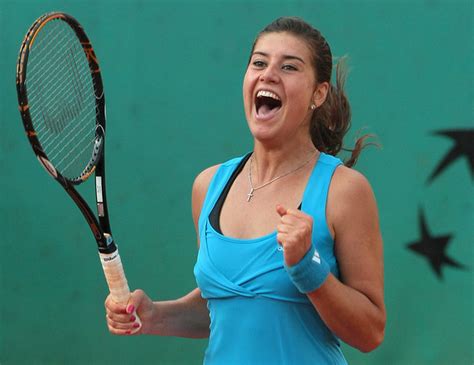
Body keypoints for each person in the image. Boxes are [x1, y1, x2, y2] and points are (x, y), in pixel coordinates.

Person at [105, 16, 386, 364]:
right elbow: (226, 306)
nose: (268, 74)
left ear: (319, 93)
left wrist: (308, 266)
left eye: (289, 67)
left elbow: (370, 332)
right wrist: (155, 316)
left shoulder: (344, 190)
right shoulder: (208, 186)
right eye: (259, 63)